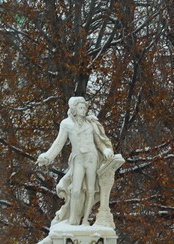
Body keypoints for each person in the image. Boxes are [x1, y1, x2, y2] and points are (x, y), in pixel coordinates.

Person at [37, 96, 117, 225]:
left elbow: (99, 142)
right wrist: (47, 156)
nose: (83, 110)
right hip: (78, 159)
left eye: (85, 107)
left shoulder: (91, 123)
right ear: (74, 109)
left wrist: (106, 150)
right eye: (80, 107)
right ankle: (73, 219)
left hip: (92, 158)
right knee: (75, 190)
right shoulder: (67, 124)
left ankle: (85, 219)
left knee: (91, 190)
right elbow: (58, 143)